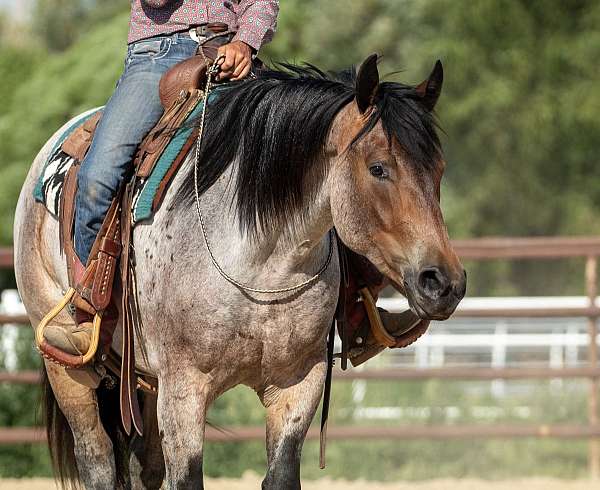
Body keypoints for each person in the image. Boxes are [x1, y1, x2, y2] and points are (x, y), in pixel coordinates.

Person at [44, 0, 279, 356]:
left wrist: (245, 43)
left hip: (229, 51)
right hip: (159, 54)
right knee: (97, 176)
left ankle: (357, 306)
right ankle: (92, 317)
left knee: (310, 143)